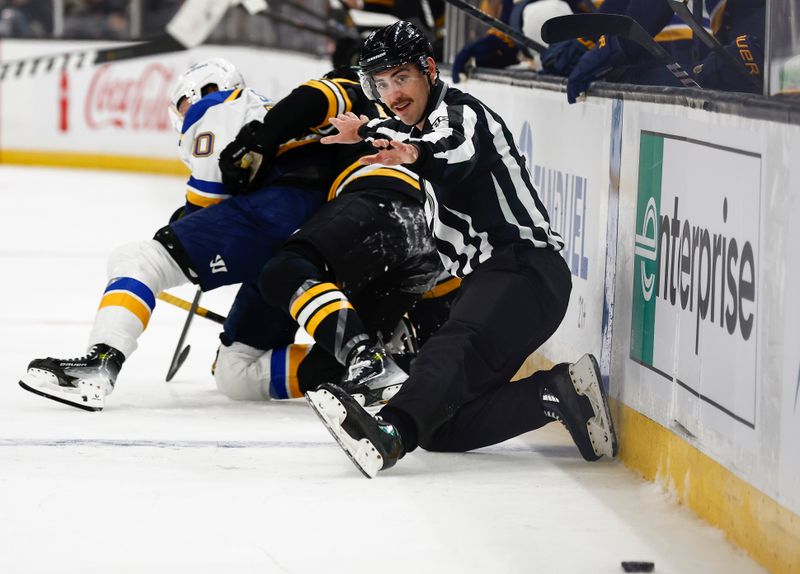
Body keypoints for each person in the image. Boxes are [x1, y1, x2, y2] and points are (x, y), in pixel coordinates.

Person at [306, 20, 618, 477]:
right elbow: (408, 136)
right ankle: (560, 393)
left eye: (402, 78)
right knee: (440, 427)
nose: (394, 93)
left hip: (524, 271)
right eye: (383, 83)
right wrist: (370, 129)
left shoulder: (461, 113)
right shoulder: (411, 127)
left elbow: (450, 152)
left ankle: (389, 433)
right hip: (499, 283)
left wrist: (406, 150)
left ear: (429, 70)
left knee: (449, 350)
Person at [18, 58, 328, 411]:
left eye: (184, 104)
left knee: (140, 260)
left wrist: (176, 237)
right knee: (236, 374)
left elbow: (209, 202)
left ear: (206, 89)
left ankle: (100, 363)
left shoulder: (219, 105)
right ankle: (363, 367)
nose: (186, 114)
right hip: (316, 234)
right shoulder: (270, 111)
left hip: (279, 212)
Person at [214, 68, 444, 405]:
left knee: (284, 271)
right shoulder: (435, 111)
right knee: (327, 360)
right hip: (433, 236)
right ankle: (388, 359)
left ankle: (367, 361)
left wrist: (256, 141)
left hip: (382, 200)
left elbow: (312, 99)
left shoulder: (360, 89)